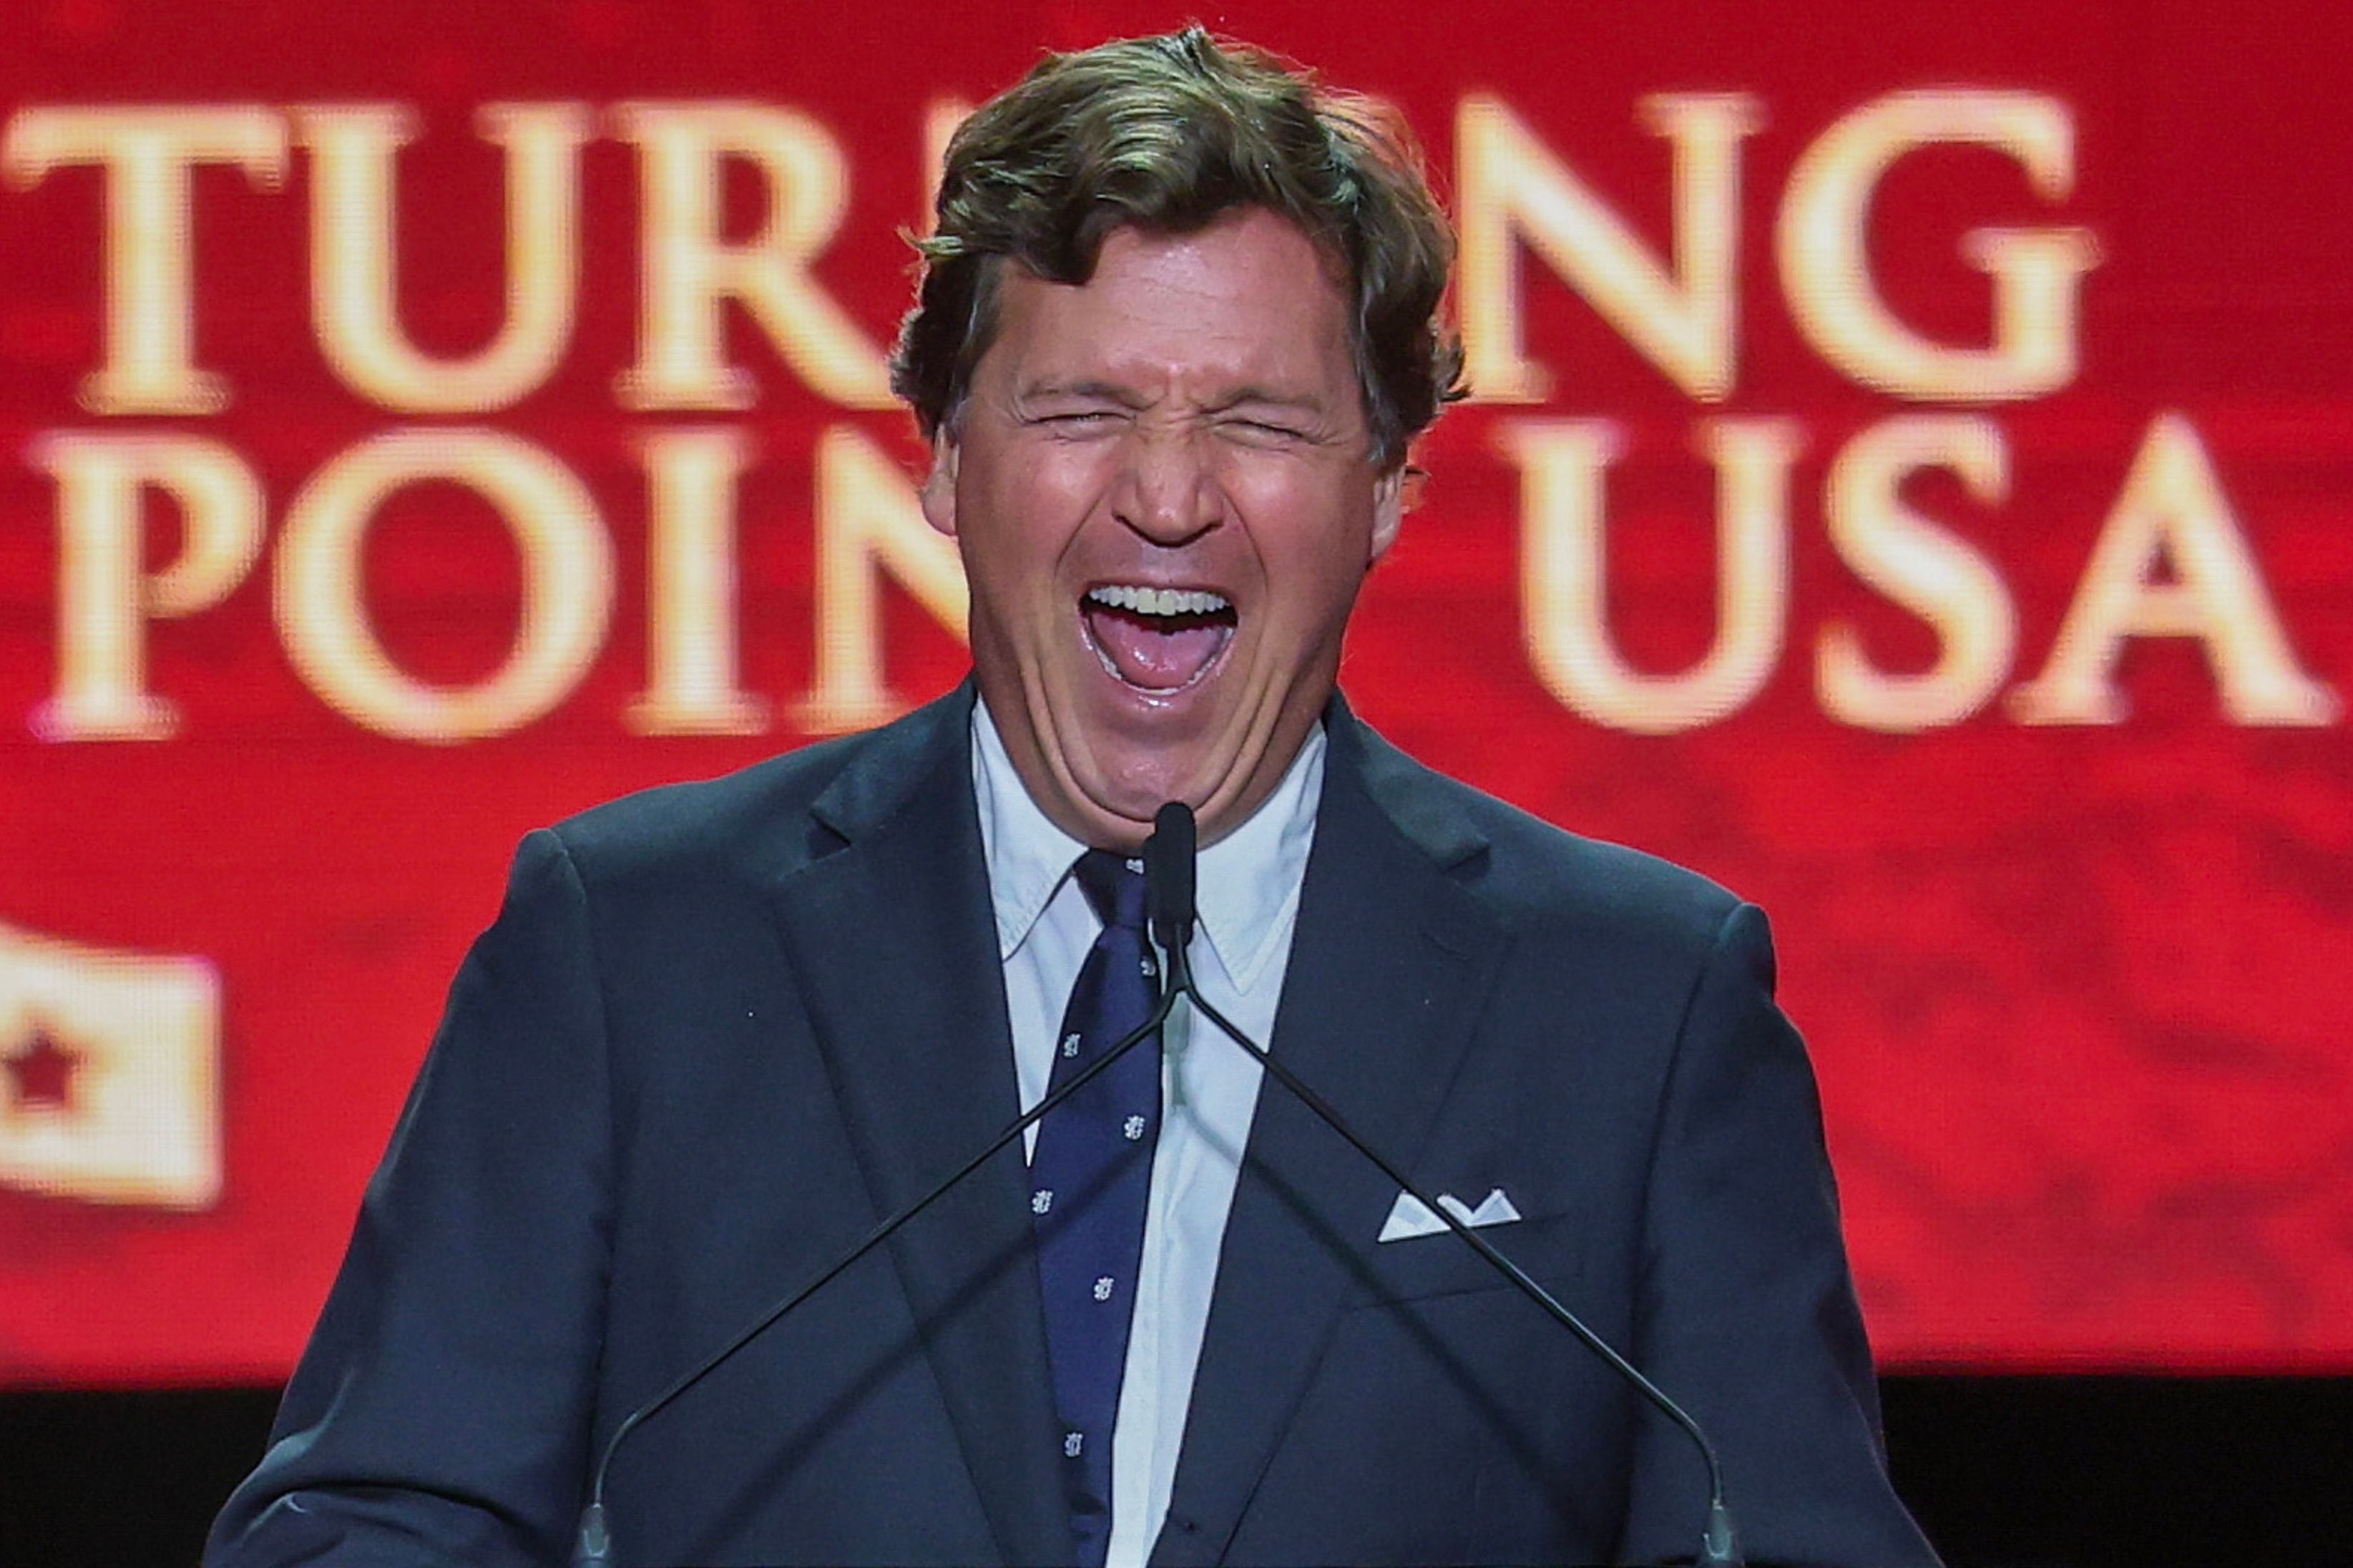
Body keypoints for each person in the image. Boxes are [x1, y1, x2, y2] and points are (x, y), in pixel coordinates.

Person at [208, 28, 1941, 1568]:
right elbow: (368, 1528)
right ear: (946, 458)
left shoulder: (1635, 1003)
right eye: (1083, 407)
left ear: (1388, 488)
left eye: (1260, 420)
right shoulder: (634, 947)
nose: (1167, 496)